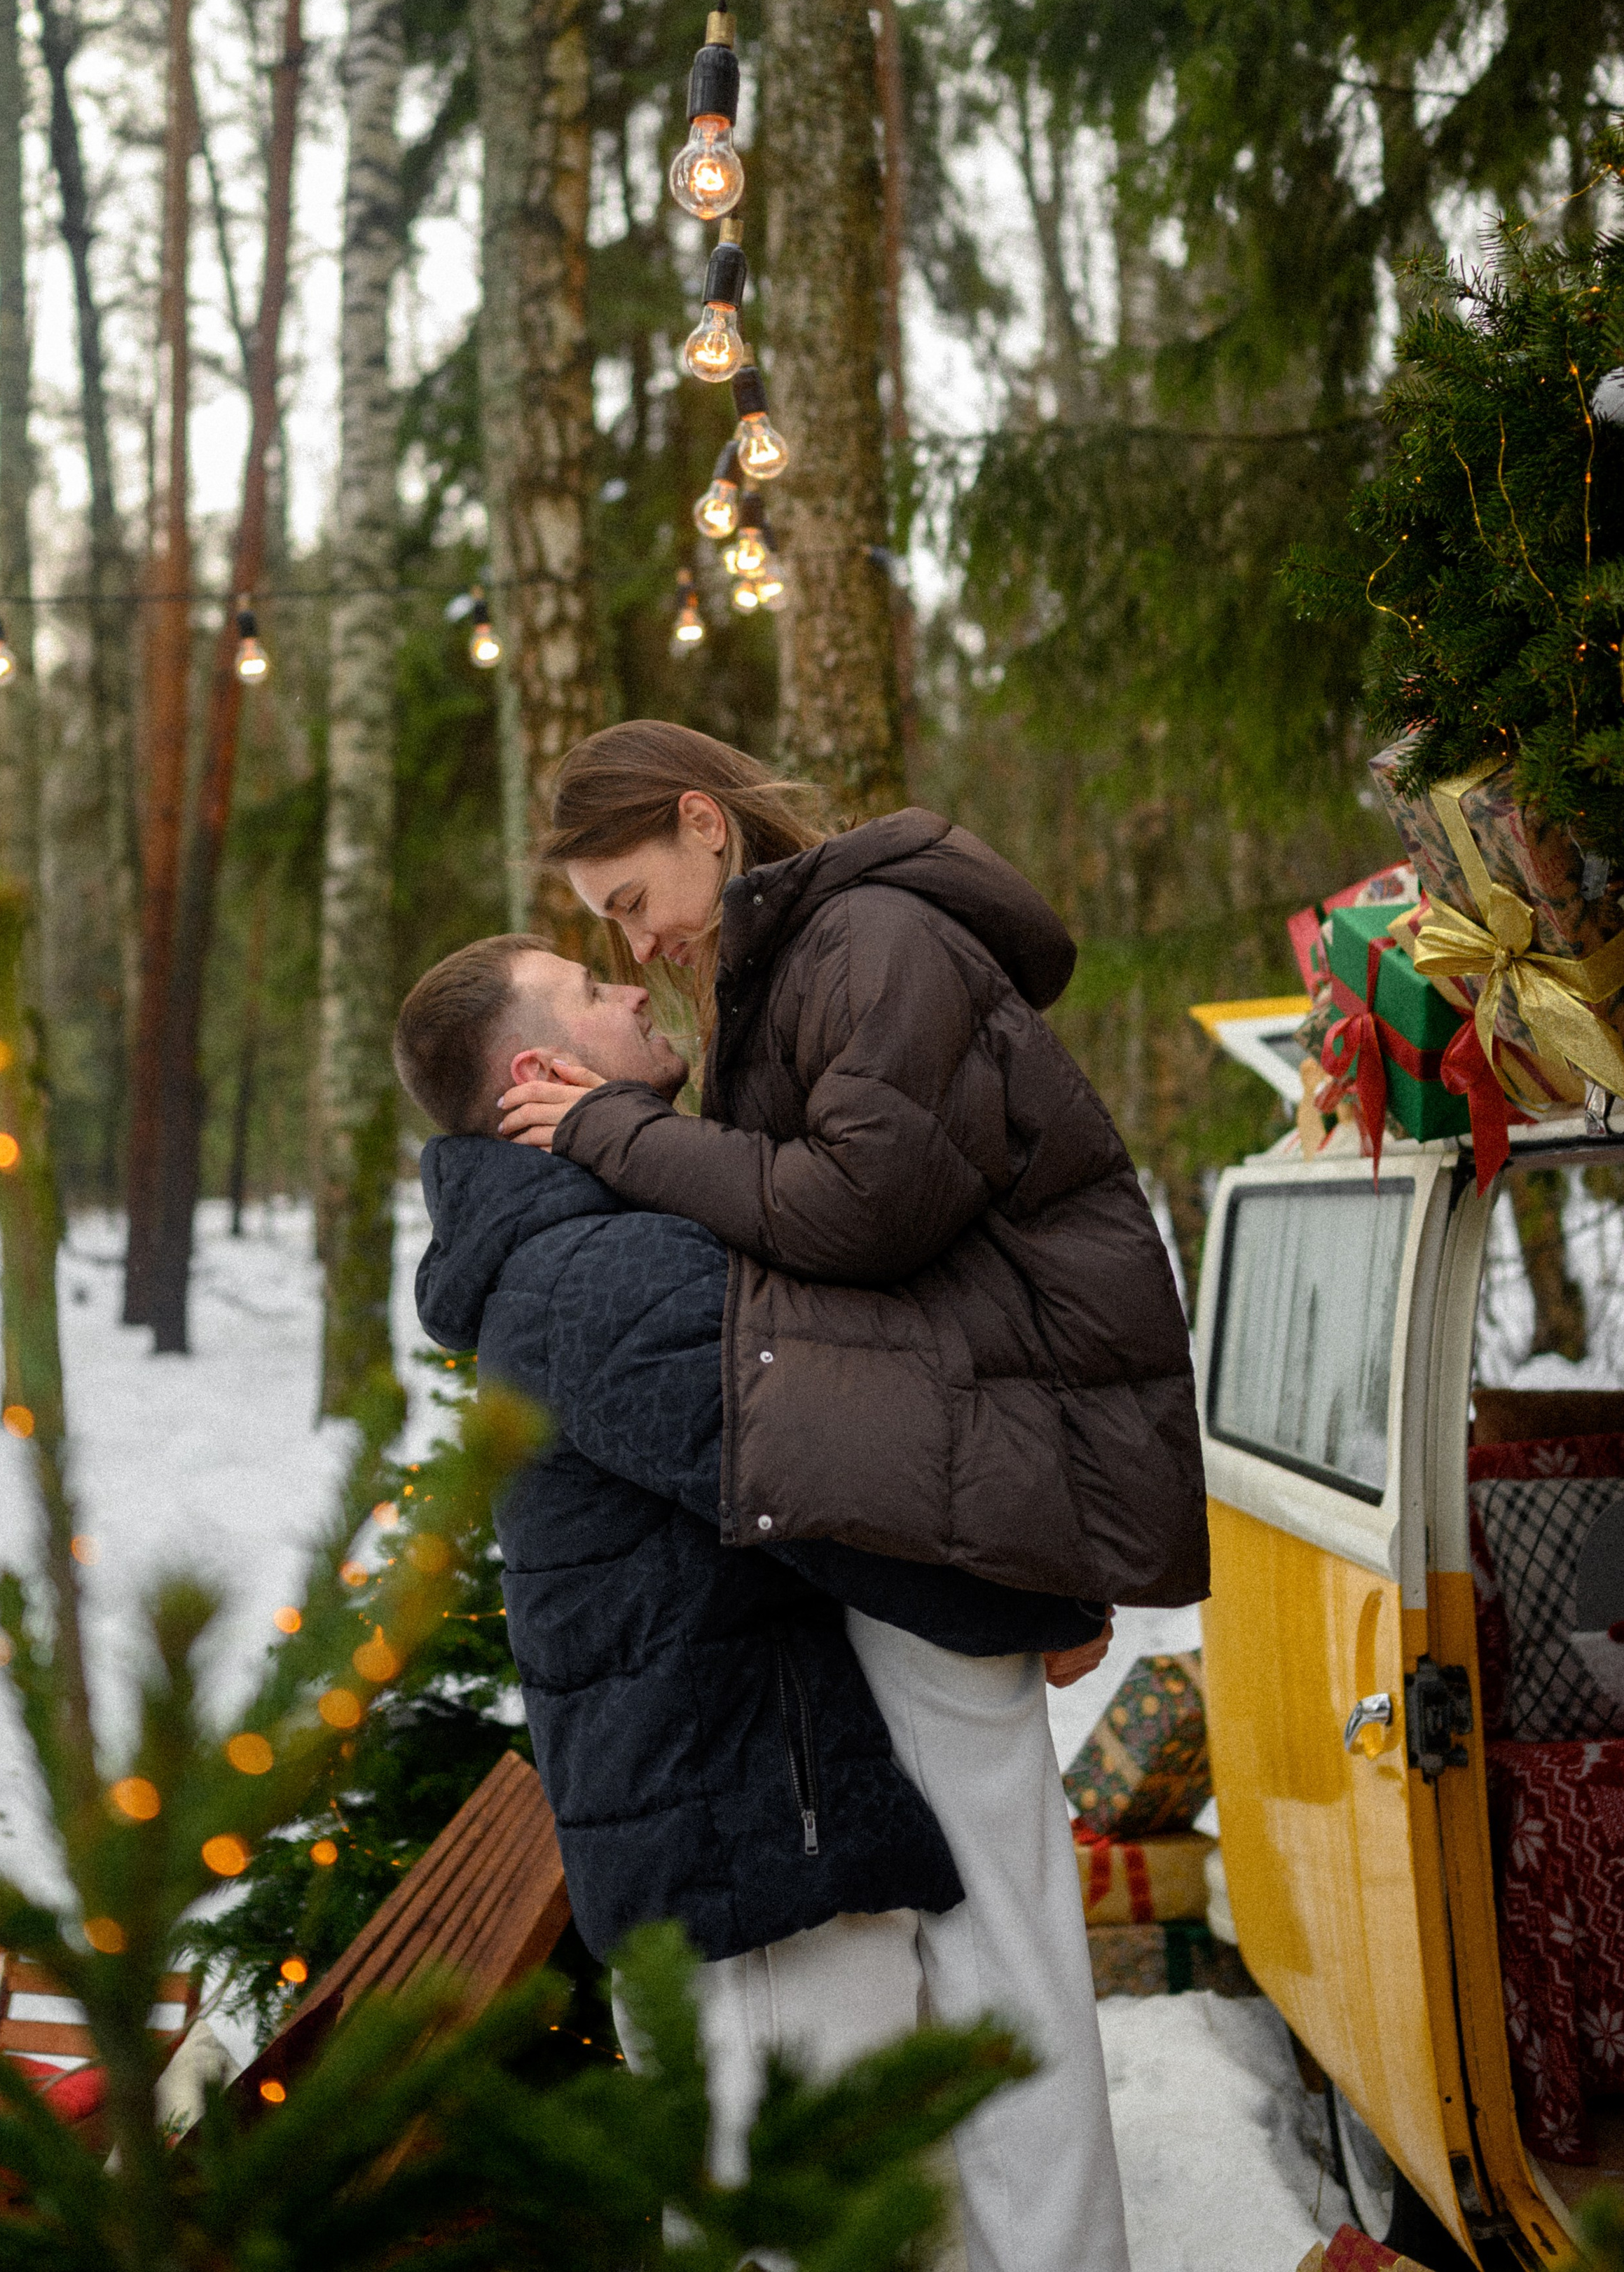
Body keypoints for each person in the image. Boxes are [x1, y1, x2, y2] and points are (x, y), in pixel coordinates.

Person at [493, 721, 1212, 2272]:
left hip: (970, 1482)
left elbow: (861, 1210)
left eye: (631, 900)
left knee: (1007, 1945)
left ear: (702, 821)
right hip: (933, 1480)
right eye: (609, 925)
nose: (636, 942)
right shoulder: (790, 965)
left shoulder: (873, 939)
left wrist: (617, 1131)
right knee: (978, 1937)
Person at [396, 933, 1120, 2236]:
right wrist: (1039, 1611)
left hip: (744, 1833)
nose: (632, 985)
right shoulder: (596, 1273)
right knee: (816, 2236)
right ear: (536, 1074)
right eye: (591, 990)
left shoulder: (586, 1246)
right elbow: (825, 1491)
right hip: (750, 1856)